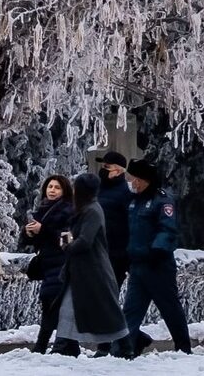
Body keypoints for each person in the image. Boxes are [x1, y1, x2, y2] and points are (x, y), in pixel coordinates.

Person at [117, 158, 191, 357]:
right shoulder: (133, 201)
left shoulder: (163, 200)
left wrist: (157, 250)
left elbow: (167, 229)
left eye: (135, 179)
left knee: (170, 309)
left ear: (144, 180)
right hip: (138, 266)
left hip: (158, 266)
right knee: (131, 310)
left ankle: (183, 347)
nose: (132, 183)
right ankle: (123, 349)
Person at [52, 172, 128, 356]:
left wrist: (67, 246)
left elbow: (85, 240)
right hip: (81, 270)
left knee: (107, 311)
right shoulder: (85, 210)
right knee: (69, 308)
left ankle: (125, 345)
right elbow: (75, 234)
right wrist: (66, 239)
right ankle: (64, 346)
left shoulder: (92, 210)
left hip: (94, 270)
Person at [22, 173, 73, 354]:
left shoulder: (68, 211)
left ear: (64, 190)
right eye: (50, 187)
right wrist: (28, 233)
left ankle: (42, 346)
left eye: (57, 187)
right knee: (54, 306)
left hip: (61, 265)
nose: (52, 190)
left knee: (52, 305)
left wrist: (43, 229)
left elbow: (67, 241)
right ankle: (67, 347)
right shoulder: (42, 209)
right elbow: (30, 241)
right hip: (47, 265)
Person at [96, 149, 134, 293]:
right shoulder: (97, 189)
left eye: (107, 167)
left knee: (107, 296)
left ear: (118, 171)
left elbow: (129, 225)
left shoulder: (125, 194)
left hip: (115, 255)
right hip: (97, 252)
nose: (103, 170)